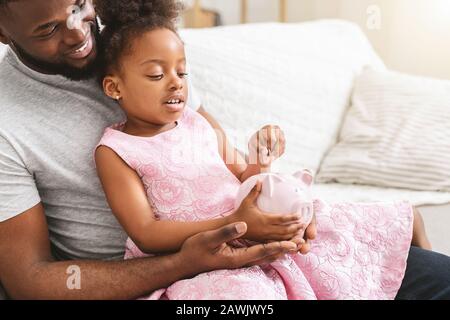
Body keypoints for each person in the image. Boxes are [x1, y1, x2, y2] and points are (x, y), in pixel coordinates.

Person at [0, 0, 448, 300]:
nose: (81, 32)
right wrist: (185, 260)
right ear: (3, 29)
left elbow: (232, 166)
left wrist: (269, 181)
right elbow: (28, 280)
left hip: (255, 239)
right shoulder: (17, 125)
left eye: (79, 5)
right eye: (49, 28)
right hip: (184, 277)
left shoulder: (140, 48)